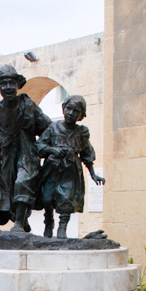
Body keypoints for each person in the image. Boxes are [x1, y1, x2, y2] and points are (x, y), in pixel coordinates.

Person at [0, 65, 51, 233]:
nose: (8, 87)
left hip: (27, 151)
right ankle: (21, 220)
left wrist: (41, 146)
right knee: (9, 187)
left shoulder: (28, 104)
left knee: (22, 182)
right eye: (3, 84)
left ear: (17, 85)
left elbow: (47, 127)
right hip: (8, 153)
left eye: (11, 83)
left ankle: (18, 223)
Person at [35, 95, 105, 238]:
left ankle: (62, 228)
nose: (71, 113)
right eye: (69, 109)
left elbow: (87, 153)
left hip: (70, 172)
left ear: (81, 115)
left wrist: (93, 174)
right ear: (63, 108)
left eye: (76, 111)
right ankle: (49, 222)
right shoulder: (53, 128)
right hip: (51, 170)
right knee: (47, 198)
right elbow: (39, 146)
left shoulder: (81, 133)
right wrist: (52, 150)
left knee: (66, 199)